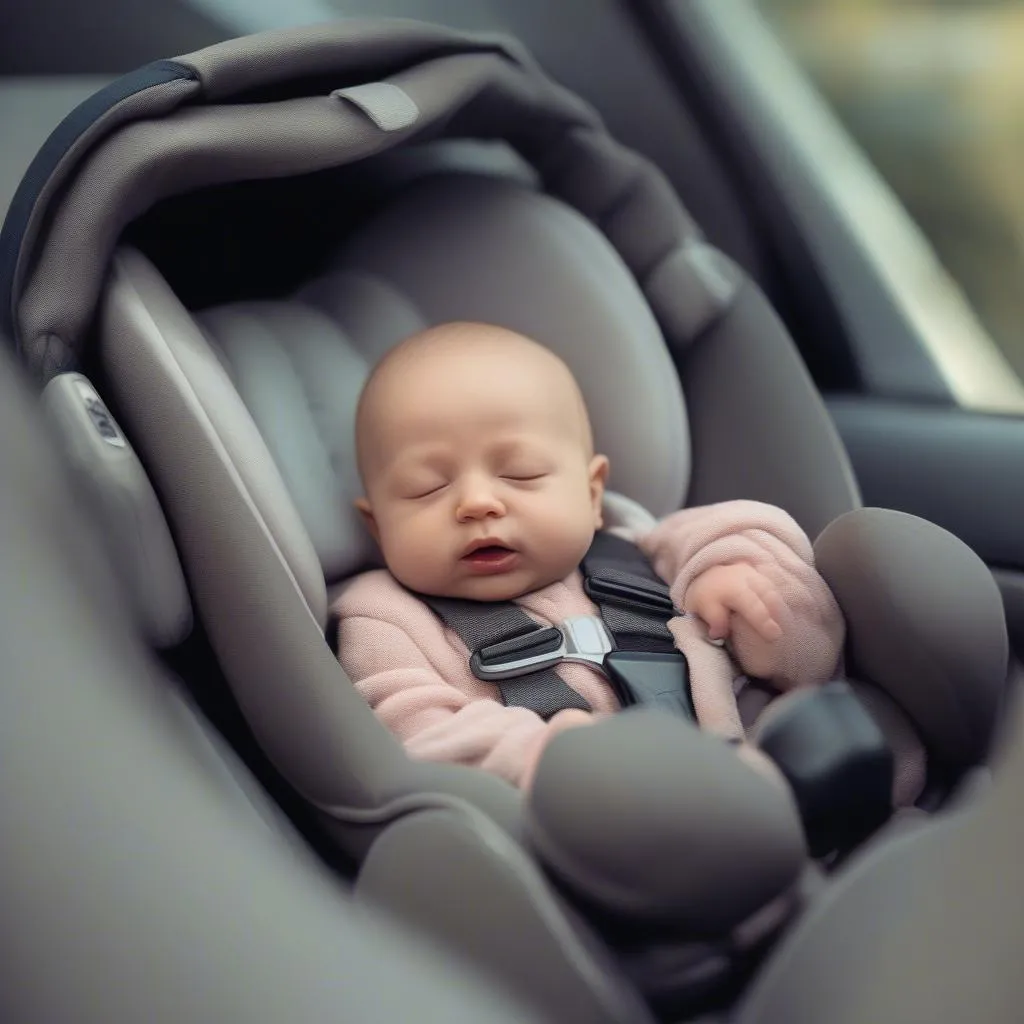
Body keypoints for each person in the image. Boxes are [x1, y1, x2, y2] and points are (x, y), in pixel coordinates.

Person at [332, 321, 845, 790]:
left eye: (521, 472)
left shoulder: (664, 552)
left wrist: (752, 599)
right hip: (604, 835)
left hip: (765, 784)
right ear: (378, 526)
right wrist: (552, 758)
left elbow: (812, 664)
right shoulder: (383, 621)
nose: (476, 503)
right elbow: (417, 738)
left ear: (592, 493)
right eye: (428, 487)